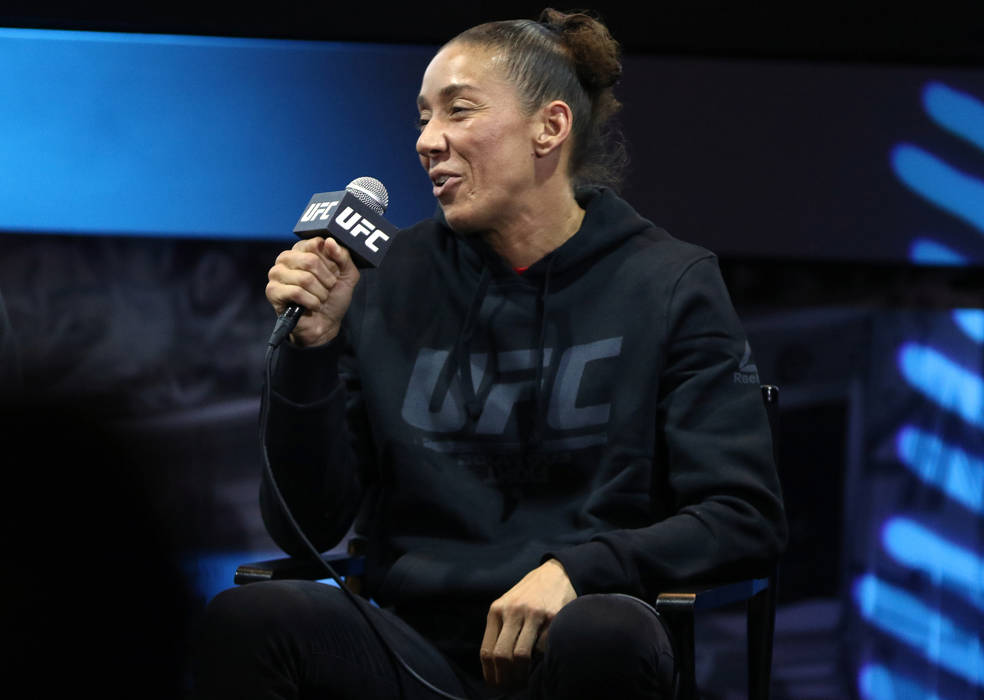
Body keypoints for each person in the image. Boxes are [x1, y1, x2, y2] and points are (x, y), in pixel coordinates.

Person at [195, 8, 787, 699]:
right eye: (422, 118)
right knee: (253, 616)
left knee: (604, 632)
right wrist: (312, 351)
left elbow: (744, 515)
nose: (427, 141)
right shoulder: (386, 280)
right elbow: (309, 525)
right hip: (414, 654)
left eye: (458, 111)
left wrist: (580, 570)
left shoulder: (668, 283)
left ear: (550, 127)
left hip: (583, 642)